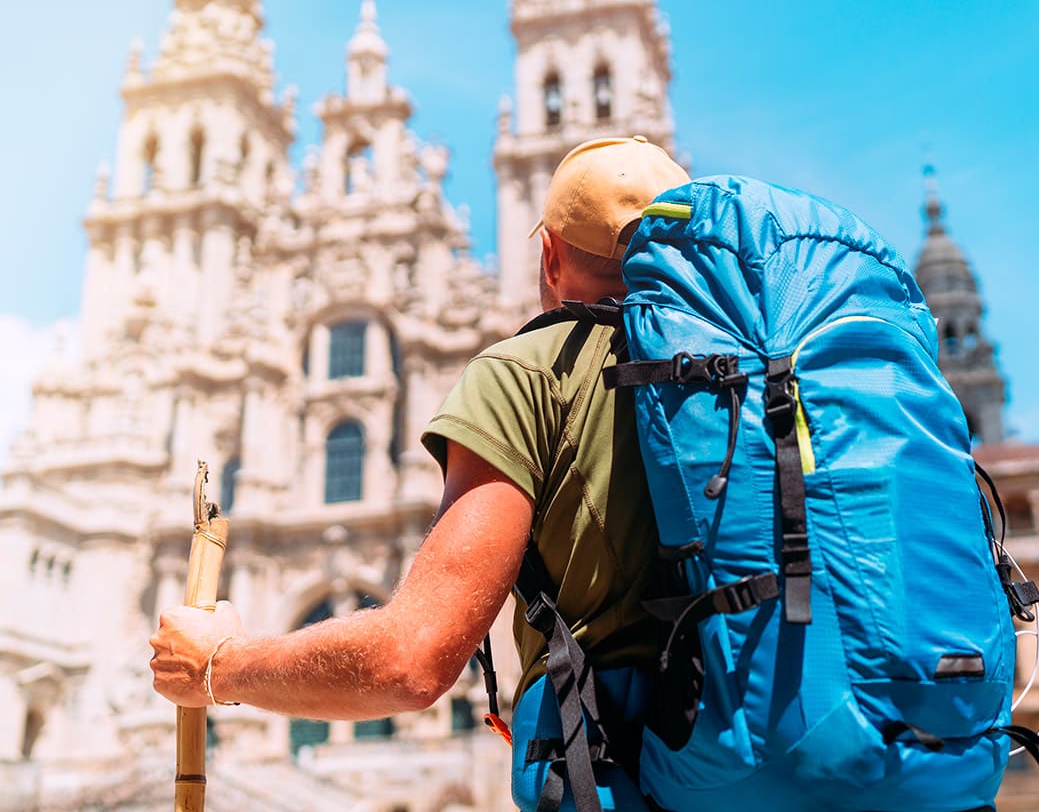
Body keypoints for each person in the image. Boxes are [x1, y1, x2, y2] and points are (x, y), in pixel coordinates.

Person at [150, 136, 689, 811]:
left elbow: (410, 660)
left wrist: (216, 664)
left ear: (548, 257)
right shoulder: (753, 379)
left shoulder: (529, 372)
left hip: (624, 778)